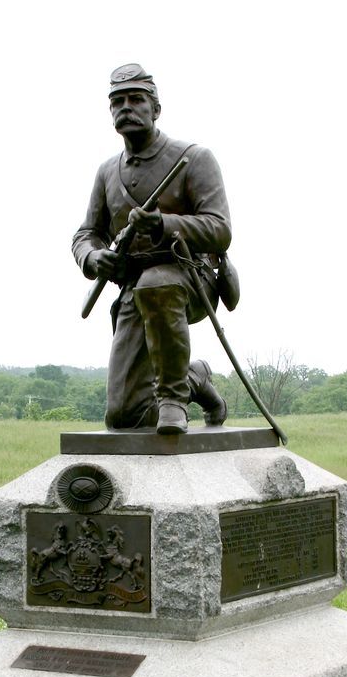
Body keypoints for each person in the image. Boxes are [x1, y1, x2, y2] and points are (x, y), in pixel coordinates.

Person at [72, 64, 230, 434]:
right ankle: (195, 379)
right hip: (136, 288)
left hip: (190, 279)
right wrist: (93, 257)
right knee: (123, 417)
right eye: (117, 102)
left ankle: (174, 398)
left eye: (136, 99)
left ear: (155, 108)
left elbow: (220, 229)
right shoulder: (107, 172)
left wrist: (164, 224)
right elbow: (87, 234)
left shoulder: (194, 158)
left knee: (157, 283)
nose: (126, 107)